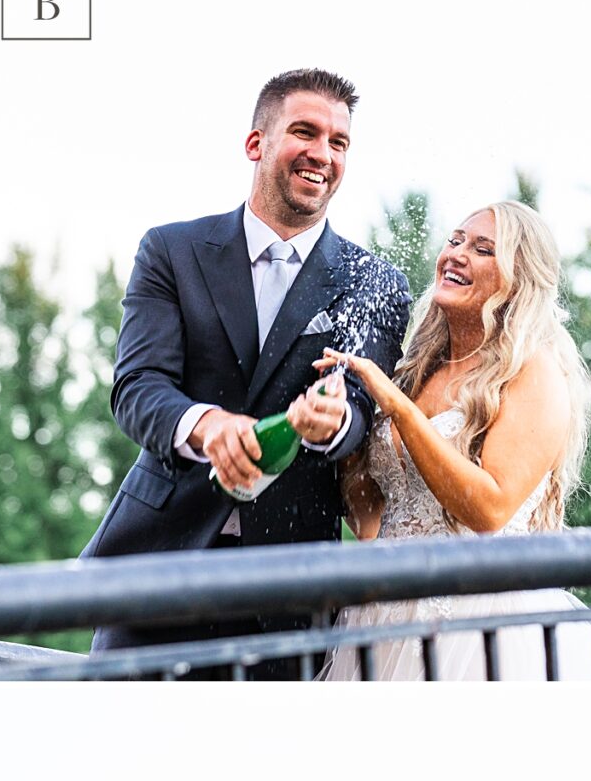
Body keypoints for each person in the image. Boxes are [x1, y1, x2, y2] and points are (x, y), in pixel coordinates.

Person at [81, 68, 408, 664]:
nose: (322, 154)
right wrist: (209, 427)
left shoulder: (376, 282)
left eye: (339, 142)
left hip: (290, 588)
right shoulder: (170, 251)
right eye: (304, 132)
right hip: (157, 568)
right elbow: (137, 386)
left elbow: (364, 416)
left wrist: (334, 420)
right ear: (256, 143)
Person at [295, 203, 591, 681]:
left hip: (481, 626)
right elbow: (372, 514)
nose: (456, 255)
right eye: (455, 241)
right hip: (384, 614)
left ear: (519, 278)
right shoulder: (417, 366)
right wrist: (335, 434)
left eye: (483, 249)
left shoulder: (533, 370)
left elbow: (489, 509)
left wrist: (399, 408)